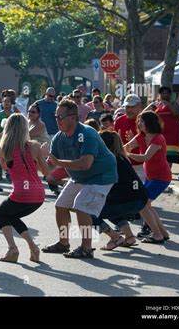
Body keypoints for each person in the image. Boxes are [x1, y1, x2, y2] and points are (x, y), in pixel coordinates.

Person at [42, 99, 118, 258]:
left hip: (101, 177)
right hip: (80, 178)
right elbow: (50, 167)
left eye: (60, 116)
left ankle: (86, 248)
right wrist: (38, 157)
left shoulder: (87, 133)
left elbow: (86, 164)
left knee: (81, 206)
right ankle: (63, 243)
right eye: (56, 116)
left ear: (73, 117)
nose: (57, 120)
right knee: (61, 205)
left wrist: (58, 162)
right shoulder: (58, 138)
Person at [0, 113, 51, 263]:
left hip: (21, 193)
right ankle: (33, 247)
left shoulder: (3, 148)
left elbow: (6, 169)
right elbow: (47, 172)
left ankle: (12, 249)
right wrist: (44, 155)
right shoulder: (34, 146)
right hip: (39, 194)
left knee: (1, 213)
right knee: (11, 216)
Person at [124, 111, 171, 243]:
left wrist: (127, 154)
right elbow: (125, 147)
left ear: (150, 123)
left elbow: (145, 157)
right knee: (146, 205)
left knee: (142, 204)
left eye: (142, 121)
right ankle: (163, 233)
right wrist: (117, 150)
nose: (139, 123)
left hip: (161, 178)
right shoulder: (141, 136)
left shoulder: (158, 138)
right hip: (150, 176)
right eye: (138, 120)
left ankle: (157, 235)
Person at [94, 131, 145, 250]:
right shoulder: (122, 158)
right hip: (140, 199)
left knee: (89, 212)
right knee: (112, 210)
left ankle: (115, 238)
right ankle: (129, 237)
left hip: (127, 201)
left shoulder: (108, 160)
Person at [144, 86, 179, 168]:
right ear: (160, 94)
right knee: (158, 152)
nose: (166, 95)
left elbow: (176, 114)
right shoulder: (156, 105)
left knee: (170, 155)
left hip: (172, 133)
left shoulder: (174, 103)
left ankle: (168, 172)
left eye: (167, 93)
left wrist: (168, 104)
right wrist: (151, 105)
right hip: (159, 132)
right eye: (163, 93)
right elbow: (144, 114)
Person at [114, 94, 145, 182]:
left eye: (132, 107)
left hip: (140, 166)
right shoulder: (119, 121)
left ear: (139, 106)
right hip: (123, 164)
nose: (129, 110)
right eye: (127, 107)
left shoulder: (145, 122)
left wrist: (136, 142)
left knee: (140, 193)